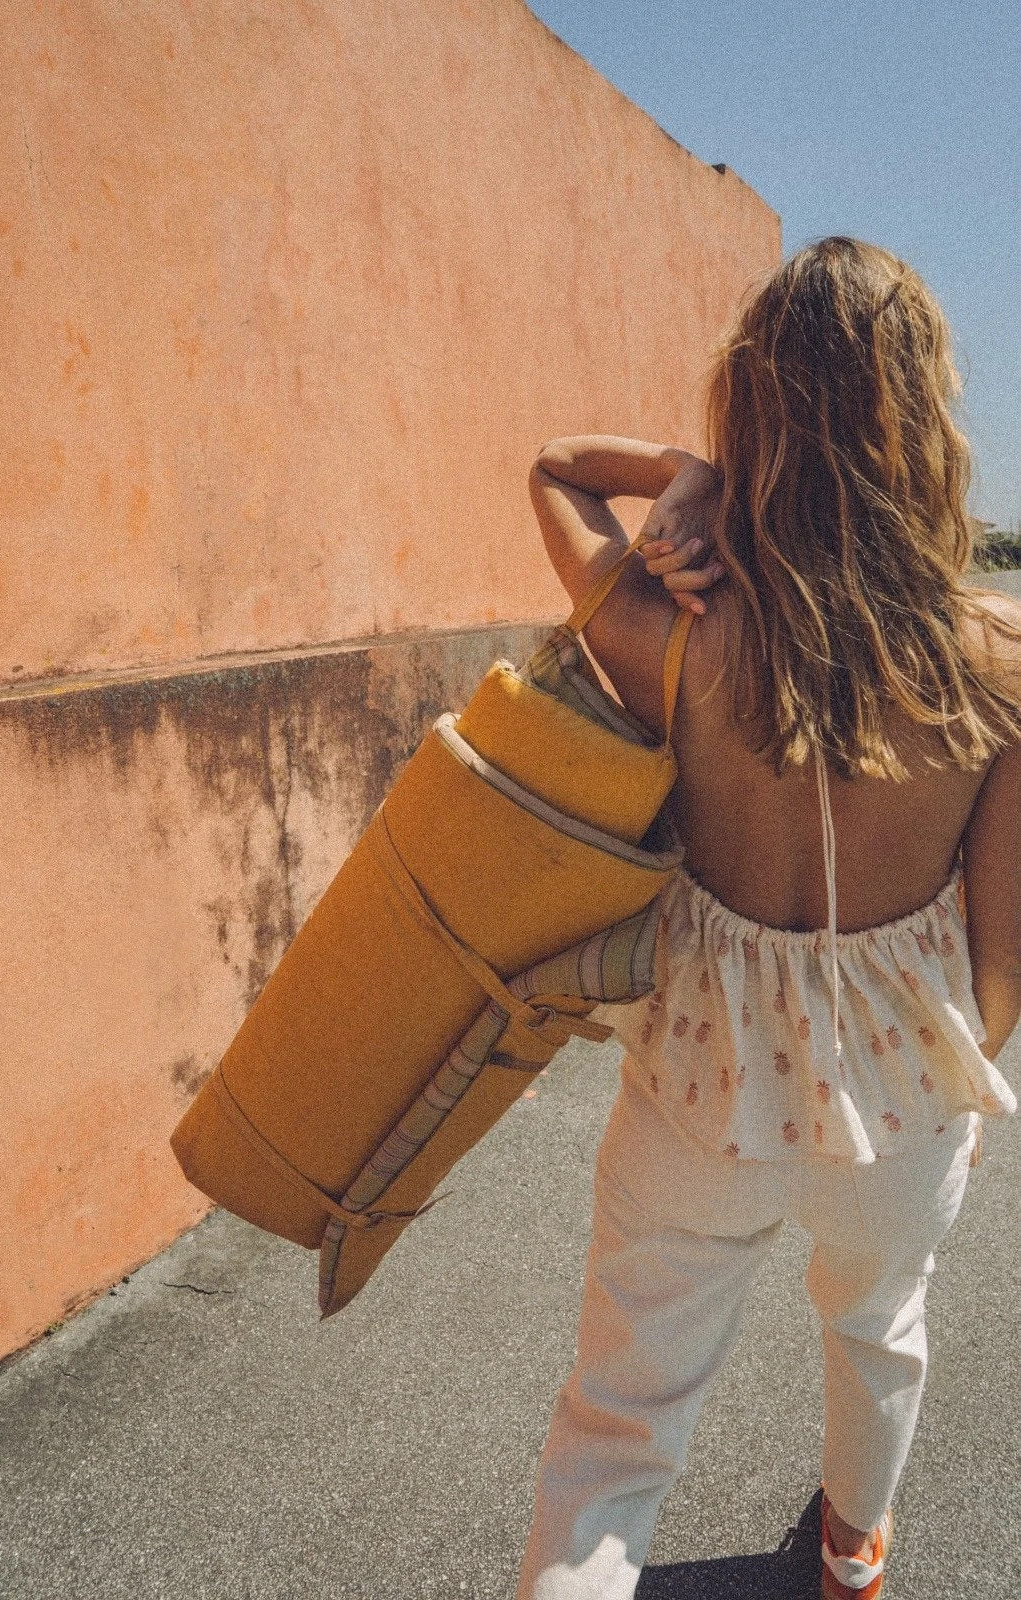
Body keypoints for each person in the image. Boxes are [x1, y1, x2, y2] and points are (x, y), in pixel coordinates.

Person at [514, 238, 1021, 1600]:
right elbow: (1004, 942)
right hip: (900, 1108)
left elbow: (555, 463)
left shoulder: (666, 624)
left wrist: (695, 474)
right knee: (879, 1328)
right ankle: (851, 1559)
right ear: (922, 418)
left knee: (619, 1425)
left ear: (750, 405)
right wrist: (956, 1098)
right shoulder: (996, 662)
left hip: (694, 1091)